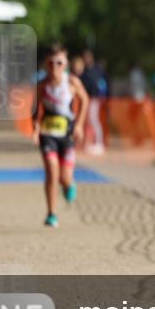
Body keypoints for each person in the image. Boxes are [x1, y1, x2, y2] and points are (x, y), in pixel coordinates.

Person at [32, 44, 89, 228]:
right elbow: (35, 110)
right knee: (51, 170)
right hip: (48, 134)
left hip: (67, 135)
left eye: (59, 62)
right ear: (46, 65)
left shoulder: (72, 82)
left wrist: (79, 125)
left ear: (65, 64)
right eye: (51, 63)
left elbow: (85, 100)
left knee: (64, 177)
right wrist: (35, 128)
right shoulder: (41, 85)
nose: (55, 66)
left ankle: (68, 185)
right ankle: (51, 213)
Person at [80, 49, 106, 155]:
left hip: (94, 98)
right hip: (87, 98)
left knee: (93, 119)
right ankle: (89, 142)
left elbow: (102, 84)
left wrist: (101, 95)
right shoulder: (85, 71)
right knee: (88, 120)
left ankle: (99, 142)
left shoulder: (97, 70)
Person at [128, 62, 148, 147]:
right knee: (138, 120)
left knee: (136, 120)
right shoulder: (141, 74)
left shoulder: (134, 74)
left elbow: (133, 86)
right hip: (139, 98)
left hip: (137, 99)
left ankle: (138, 138)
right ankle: (139, 138)